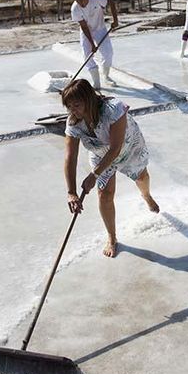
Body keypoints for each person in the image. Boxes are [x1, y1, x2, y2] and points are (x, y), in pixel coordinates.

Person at [62, 79, 159, 258]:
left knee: (141, 177)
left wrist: (93, 175)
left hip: (128, 147)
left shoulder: (113, 110)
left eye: (76, 105)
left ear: (89, 100)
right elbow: (70, 156)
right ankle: (112, 237)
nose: (72, 111)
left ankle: (146, 196)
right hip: (99, 152)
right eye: (69, 106)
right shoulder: (74, 122)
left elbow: (115, 149)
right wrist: (71, 192)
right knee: (104, 194)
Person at [71, 0, 119, 89]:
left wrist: (115, 20)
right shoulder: (75, 9)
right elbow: (84, 26)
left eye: (81, 0)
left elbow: (111, 2)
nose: (80, 4)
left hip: (100, 28)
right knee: (87, 55)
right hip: (86, 32)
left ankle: (106, 76)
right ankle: (96, 82)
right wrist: (92, 44)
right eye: (77, 1)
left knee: (108, 53)